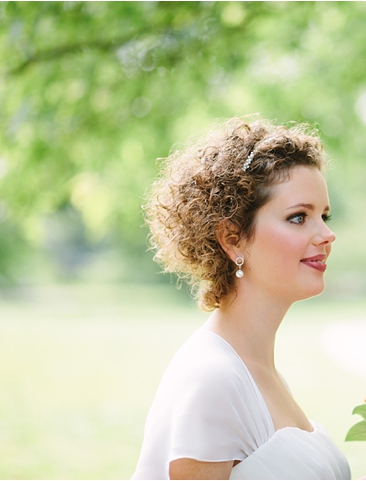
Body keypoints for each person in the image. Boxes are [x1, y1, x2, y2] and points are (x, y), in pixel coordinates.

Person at [132, 117, 350, 479]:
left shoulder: (258, 367)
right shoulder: (213, 378)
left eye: (324, 216)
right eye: (299, 217)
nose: (327, 234)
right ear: (232, 238)